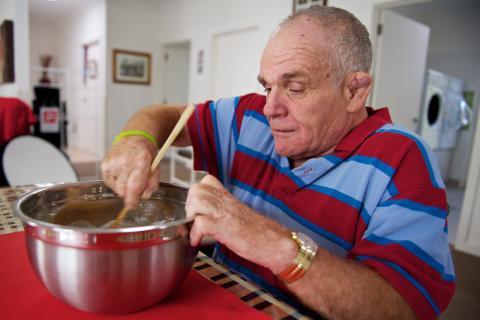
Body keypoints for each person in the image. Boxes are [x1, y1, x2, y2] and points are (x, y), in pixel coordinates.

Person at [102, 6, 455, 320]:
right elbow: (167, 116)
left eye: (295, 87)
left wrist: (270, 242)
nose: (271, 107)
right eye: (268, 86)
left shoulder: (405, 162)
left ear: (355, 91)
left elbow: (401, 308)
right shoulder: (248, 116)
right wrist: (136, 140)